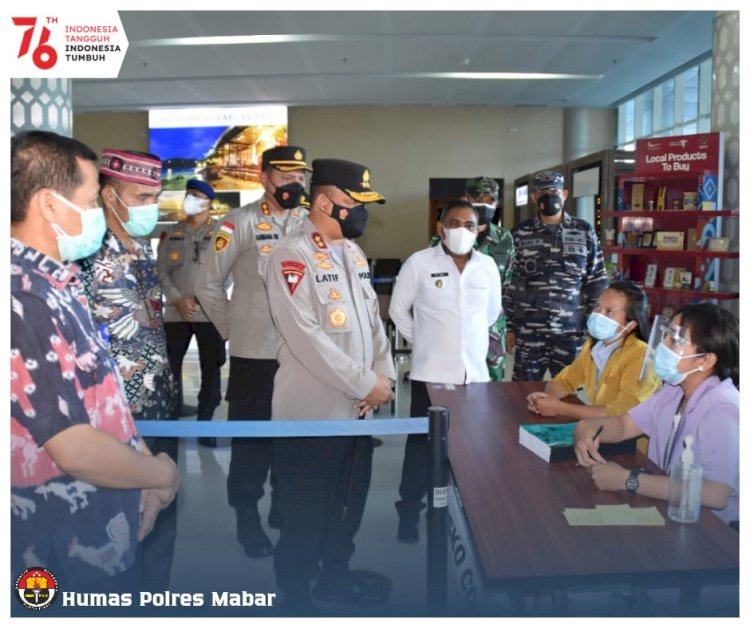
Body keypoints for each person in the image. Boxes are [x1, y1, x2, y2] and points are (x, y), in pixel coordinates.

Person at [11, 130, 179, 590]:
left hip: (101, 522)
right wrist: (161, 473)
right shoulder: (20, 297)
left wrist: (140, 460)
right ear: (49, 205)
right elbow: (72, 445)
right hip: (55, 552)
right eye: (90, 203)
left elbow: (96, 390)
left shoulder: (56, 283)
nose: (95, 216)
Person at [265, 158, 396, 609]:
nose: (361, 211)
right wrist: (364, 382)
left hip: (357, 413)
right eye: (353, 202)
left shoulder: (354, 254)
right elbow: (306, 338)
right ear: (324, 202)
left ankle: (334, 576)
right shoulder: (290, 255)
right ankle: (296, 596)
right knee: (306, 516)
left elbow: (374, 325)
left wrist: (384, 378)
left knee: (346, 507)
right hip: (311, 415)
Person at [196, 145, 310, 558]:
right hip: (254, 354)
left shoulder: (309, 224)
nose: (295, 184)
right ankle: (247, 516)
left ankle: (282, 507)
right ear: (265, 178)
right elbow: (208, 284)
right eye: (286, 176)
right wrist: (233, 329)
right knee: (252, 443)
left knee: (293, 438)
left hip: (301, 356)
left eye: (300, 177)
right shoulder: (238, 223)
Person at [78, 148, 179, 589]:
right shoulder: (85, 255)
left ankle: (153, 601)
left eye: (154, 196)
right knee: (118, 529)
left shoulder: (139, 248)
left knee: (161, 519)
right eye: (140, 197)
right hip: (114, 417)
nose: (149, 207)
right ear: (109, 195)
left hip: (158, 405)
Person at [390, 200, 502, 542]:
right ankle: (409, 512)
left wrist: (466, 342)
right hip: (430, 376)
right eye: (454, 223)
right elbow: (397, 311)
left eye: (469, 224)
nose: (462, 230)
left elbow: (491, 314)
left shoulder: (488, 267)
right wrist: (424, 341)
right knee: (420, 449)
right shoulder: (419, 263)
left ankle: (467, 516)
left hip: (475, 378)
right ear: (440, 228)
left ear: (480, 229)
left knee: (471, 450)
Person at [574, 303, 739, 526]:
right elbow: (624, 425)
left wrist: (627, 480)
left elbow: (715, 494)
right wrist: (587, 428)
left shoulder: (723, 409)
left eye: (675, 341)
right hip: (672, 511)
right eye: (666, 336)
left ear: (705, 361)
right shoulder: (673, 391)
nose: (663, 345)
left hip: (716, 532)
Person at [504, 170, 609, 381]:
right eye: (542, 192)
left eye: (554, 190)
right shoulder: (518, 234)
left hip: (572, 331)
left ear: (565, 194)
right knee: (522, 394)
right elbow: (509, 285)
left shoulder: (584, 231)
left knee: (570, 395)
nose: (548, 195)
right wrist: (509, 327)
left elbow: (596, 281)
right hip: (529, 332)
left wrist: (596, 326)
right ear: (534, 197)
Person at [526, 281, 660, 420]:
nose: (598, 315)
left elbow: (623, 412)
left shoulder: (640, 355)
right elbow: (565, 381)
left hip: (631, 434)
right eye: (597, 307)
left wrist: (560, 408)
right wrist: (545, 400)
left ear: (630, 324)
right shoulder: (593, 345)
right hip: (602, 427)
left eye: (609, 312)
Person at [157, 179, 226, 448]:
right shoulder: (173, 232)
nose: (189, 200)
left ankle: (206, 424)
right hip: (176, 314)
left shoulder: (222, 233)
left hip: (210, 314)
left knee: (211, 369)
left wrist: (202, 298)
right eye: (188, 195)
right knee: (171, 369)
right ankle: (171, 421)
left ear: (208, 201)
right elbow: (160, 271)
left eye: (195, 195)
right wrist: (177, 299)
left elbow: (228, 272)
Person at [464, 176, 515, 380]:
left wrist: (510, 328)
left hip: (493, 329)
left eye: (490, 201)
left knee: (493, 385)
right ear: (465, 200)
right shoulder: (447, 237)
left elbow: (508, 287)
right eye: (478, 200)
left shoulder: (504, 239)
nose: (485, 206)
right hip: (458, 326)